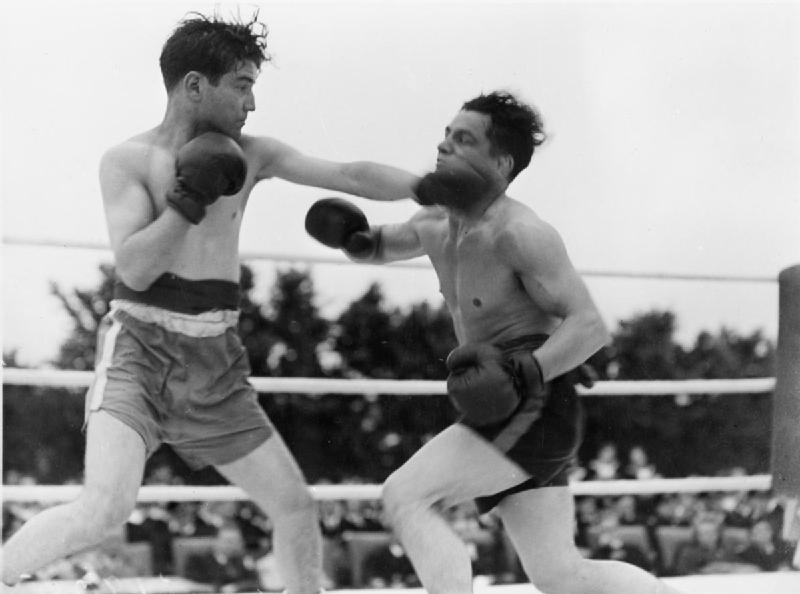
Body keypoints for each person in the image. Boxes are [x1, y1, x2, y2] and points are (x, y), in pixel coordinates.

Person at [0, 12, 416, 591]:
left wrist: (427, 188)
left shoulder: (256, 154)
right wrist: (188, 200)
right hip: (138, 352)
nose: (251, 104)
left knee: (295, 506)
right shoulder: (128, 161)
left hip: (214, 360)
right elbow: (136, 267)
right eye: (242, 86)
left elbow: (347, 173)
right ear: (196, 85)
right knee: (103, 506)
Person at [305, 91, 687, 593]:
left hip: (534, 398)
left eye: (463, 140)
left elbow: (589, 325)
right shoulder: (435, 221)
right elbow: (379, 244)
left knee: (406, 496)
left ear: (501, 162)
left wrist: (527, 371)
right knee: (560, 575)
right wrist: (351, 238)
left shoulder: (520, 232)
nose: (443, 148)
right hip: (507, 398)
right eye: (446, 135)